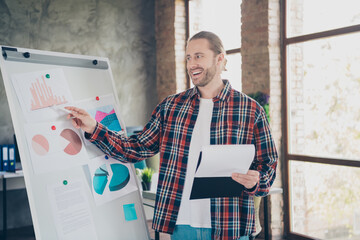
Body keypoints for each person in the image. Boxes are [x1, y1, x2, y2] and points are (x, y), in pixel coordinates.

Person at [65, 31, 278, 240]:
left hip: (230, 224)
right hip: (180, 225)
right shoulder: (170, 107)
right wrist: (94, 128)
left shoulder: (250, 110)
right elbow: (136, 148)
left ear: (220, 59)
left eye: (198, 56)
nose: (191, 64)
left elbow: (268, 164)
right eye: (188, 58)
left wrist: (256, 180)